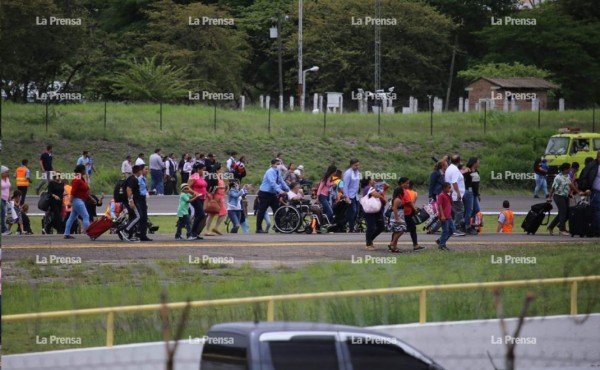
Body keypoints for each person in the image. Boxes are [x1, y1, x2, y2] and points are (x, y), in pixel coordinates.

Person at [256, 159, 290, 233]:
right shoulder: (270, 172)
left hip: (272, 194)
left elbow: (281, 181)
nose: (279, 165)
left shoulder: (278, 171)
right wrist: (281, 191)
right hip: (264, 193)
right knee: (262, 210)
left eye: (280, 164)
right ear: (273, 164)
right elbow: (273, 183)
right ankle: (258, 228)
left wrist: (288, 189)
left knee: (277, 210)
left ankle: (278, 227)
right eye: (277, 164)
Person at [547, 163, 579, 236]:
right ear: (565, 169)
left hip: (565, 196)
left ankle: (551, 227)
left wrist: (578, 192)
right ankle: (562, 229)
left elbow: (571, 185)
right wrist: (549, 197)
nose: (570, 170)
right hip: (558, 196)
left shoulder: (567, 176)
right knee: (563, 212)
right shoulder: (558, 177)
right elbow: (553, 188)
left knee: (566, 212)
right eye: (569, 168)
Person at [64, 165, 94, 239]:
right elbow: (73, 191)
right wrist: (70, 201)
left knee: (72, 217)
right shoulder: (77, 179)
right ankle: (90, 233)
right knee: (86, 216)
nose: (85, 171)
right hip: (77, 201)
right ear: (82, 170)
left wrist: (90, 198)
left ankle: (66, 234)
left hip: (78, 200)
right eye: (85, 170)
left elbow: (83, 191)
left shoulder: (80, 178)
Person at [578, 151, 600, 236]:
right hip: (596, 192)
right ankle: (597, 230)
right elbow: (585, 177)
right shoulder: (592, 166)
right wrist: (586, 188)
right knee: (597, 211)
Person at [398, 177, 424, 251]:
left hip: (406, 212)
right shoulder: (403, 191)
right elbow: (409, 202)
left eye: (408, 183)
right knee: (401, 229)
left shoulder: (403, 191)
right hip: (406, 213)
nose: (408, 184)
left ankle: (415, 245)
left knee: (410, 228)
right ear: (401, 183)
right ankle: (393, 244)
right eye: (406, 183)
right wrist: (414, 208)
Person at [362, 177, 386, 251]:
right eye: (372, 179)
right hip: (370, 211)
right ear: (369, 181)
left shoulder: (372, 187)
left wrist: (381, 183)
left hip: (376, 211)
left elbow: (386, 186)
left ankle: (370, 240)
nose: (373, 181)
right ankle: (368, 244)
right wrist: (382, 196)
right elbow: (376, 195)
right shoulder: (368, 188)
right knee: (371, 227)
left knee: (381, 226)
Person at [444, 154, 466, 235]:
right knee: (460, 211)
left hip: (451, 194)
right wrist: (458, 193)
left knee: (453, 213)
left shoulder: (449, 168)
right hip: (455, 195)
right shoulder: (455, 170)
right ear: (459, 161)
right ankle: (455, 228)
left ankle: (451, 228)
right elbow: (454, 182)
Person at [205, 164, 228, 236]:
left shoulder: (219, 177)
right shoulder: (215, 178)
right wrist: (221, 187)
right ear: (217, 170)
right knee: (215, 213)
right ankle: (211, 229)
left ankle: (213, 228)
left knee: (215, 214)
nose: (222, 171)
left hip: (220, 196)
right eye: (221, 169)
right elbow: (212, 187)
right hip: (216, 197)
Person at [187, 162, 208, 239]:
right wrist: (194, 192)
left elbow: (203, 187)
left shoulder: (201, 177)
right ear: (198, 169)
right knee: (201, 214)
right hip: (195, 198)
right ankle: (192, 232)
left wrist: (207, 193)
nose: (203, 171)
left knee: (198, 215)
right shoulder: (193, 177)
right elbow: (187, 187)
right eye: (202, 169)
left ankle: (195, 233)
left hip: (202, 198)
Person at [463, 157, 481, 235]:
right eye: (478, 161)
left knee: (477, 209)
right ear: (474, 162)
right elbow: (461, 177)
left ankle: (463, 221)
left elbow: (476, 184)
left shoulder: (477, 171)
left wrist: (478, 194)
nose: (479, 163)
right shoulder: (468, 171)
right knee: (469, 209)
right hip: (468, 191)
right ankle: (467, 226)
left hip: (474, 192)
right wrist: (464, 171)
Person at [342, 159, 361, 232]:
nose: (357, 166)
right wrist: (346, 196)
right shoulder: (348, 173)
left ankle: (342, 224)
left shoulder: (357, 173)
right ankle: (351, 228)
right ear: (351, 165)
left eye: (358, 165)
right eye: (356, 165)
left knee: (356, 212)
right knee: (353, 211)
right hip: (350, 195)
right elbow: (345, 186)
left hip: (355, 195)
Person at [387, 185, 407, 253]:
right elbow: (394, 208)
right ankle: (392, 243)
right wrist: (397, 218)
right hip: (397, 216)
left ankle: (394, 247)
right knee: (401, 230)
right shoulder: (397, 200)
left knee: (397, 231)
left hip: (398, 215)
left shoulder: (395, 199)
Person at [436, 182, 454, 251]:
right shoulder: (441, 195)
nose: (450, 189)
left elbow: (451, 203)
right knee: (445, 231)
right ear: (444, 188)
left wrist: (451, 195)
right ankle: (442, 245)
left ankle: (440, 240)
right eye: (448, 188)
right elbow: (439, 205)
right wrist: (442, 215)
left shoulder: (447, 195)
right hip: (444, 216)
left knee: (452, 230)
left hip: (449, 216)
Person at [1, 166, 11, 235]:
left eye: (8, 172)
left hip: (6, 199)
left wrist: (9, 195)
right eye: (6, 172)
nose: (7, 173)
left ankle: (3, 229)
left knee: (3, 214)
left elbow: (8, 187)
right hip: (1, 199)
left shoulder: (7, 178)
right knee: (3, 214)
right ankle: (3, 230)